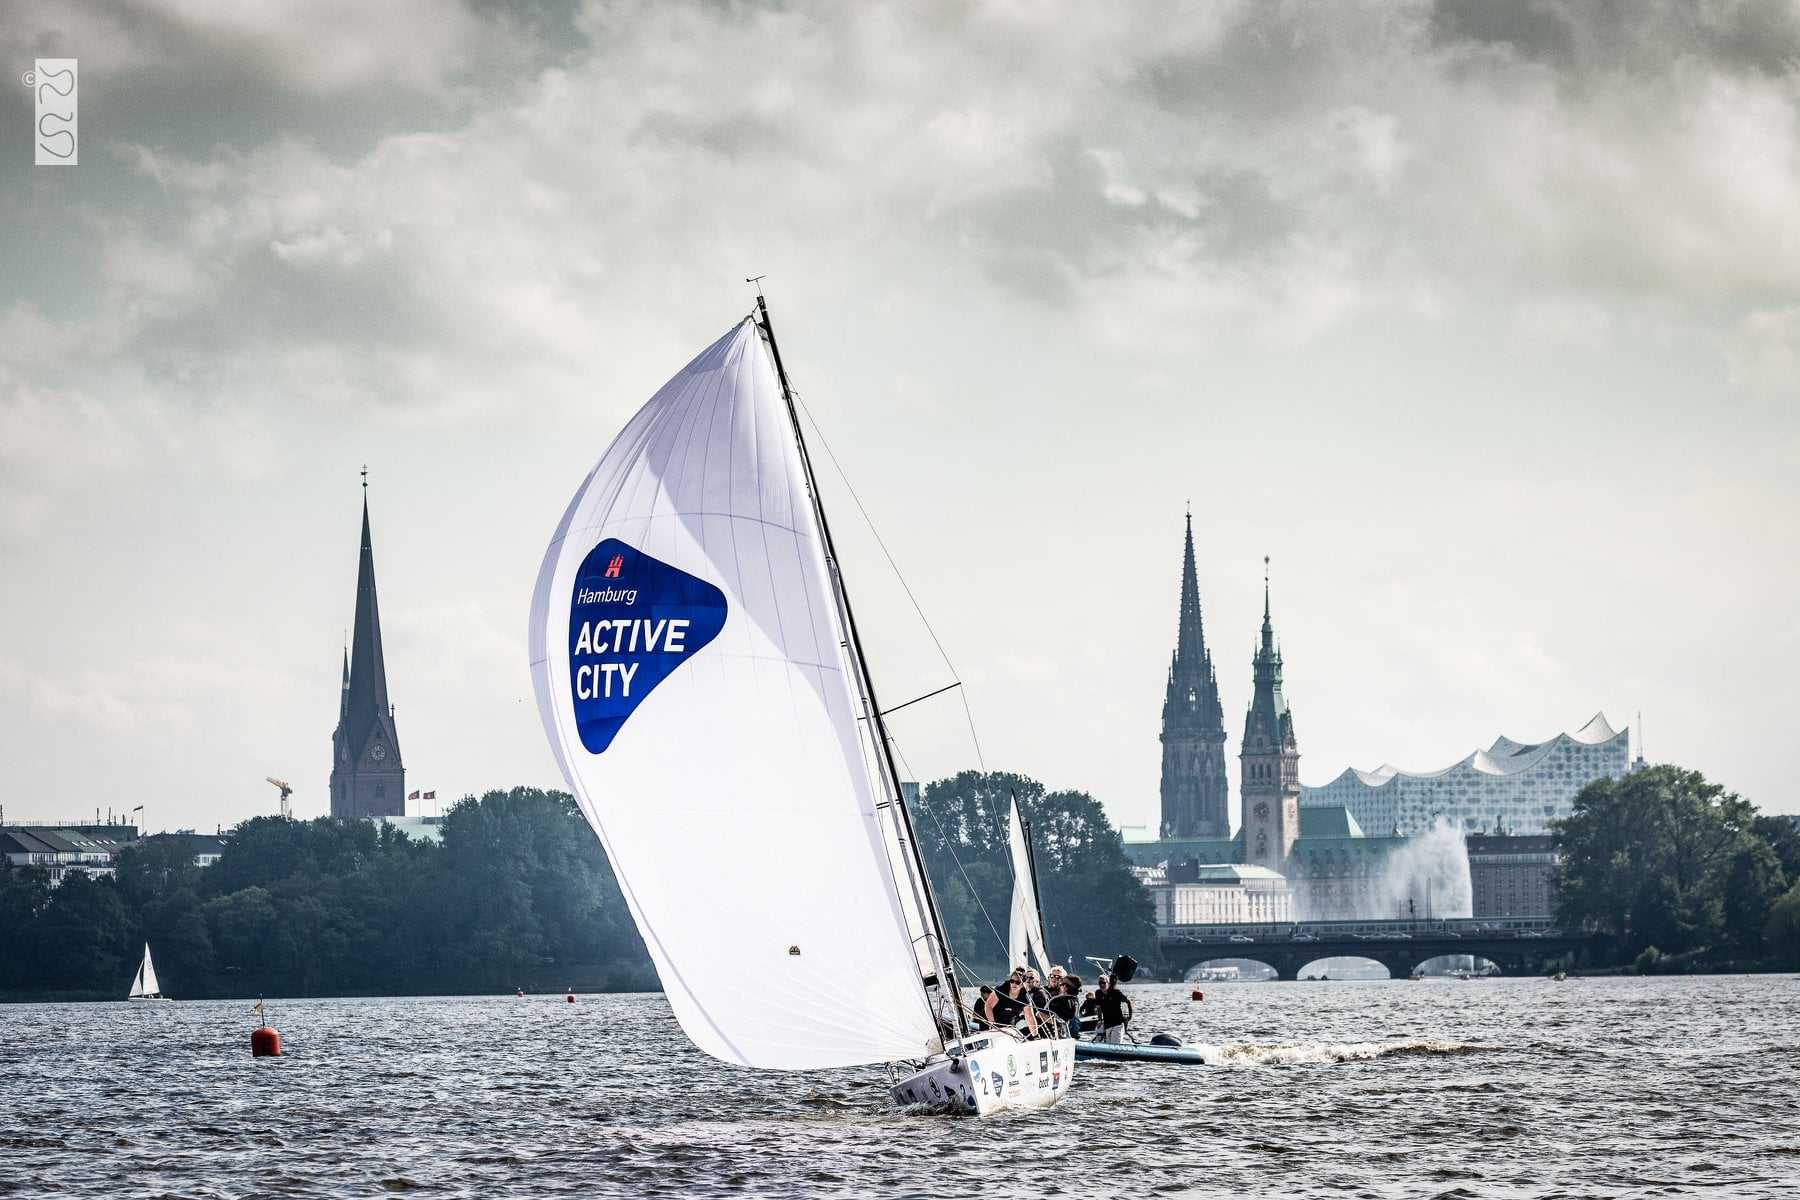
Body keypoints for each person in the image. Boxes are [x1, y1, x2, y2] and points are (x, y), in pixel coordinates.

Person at [1082, 973, 1134, 1043]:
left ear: (1108, 983)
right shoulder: (1098, 993)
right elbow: (1099, 1008)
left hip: (1118, 1024)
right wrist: (1100, 1020)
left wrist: (1130, 1016)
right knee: (1107, 1044)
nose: (1102, 985)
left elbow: (1128, 1002)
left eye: (1104, 983)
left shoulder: (1116, 993)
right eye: (1100, 983)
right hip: (1107, 1023)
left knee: (1115, 1045)